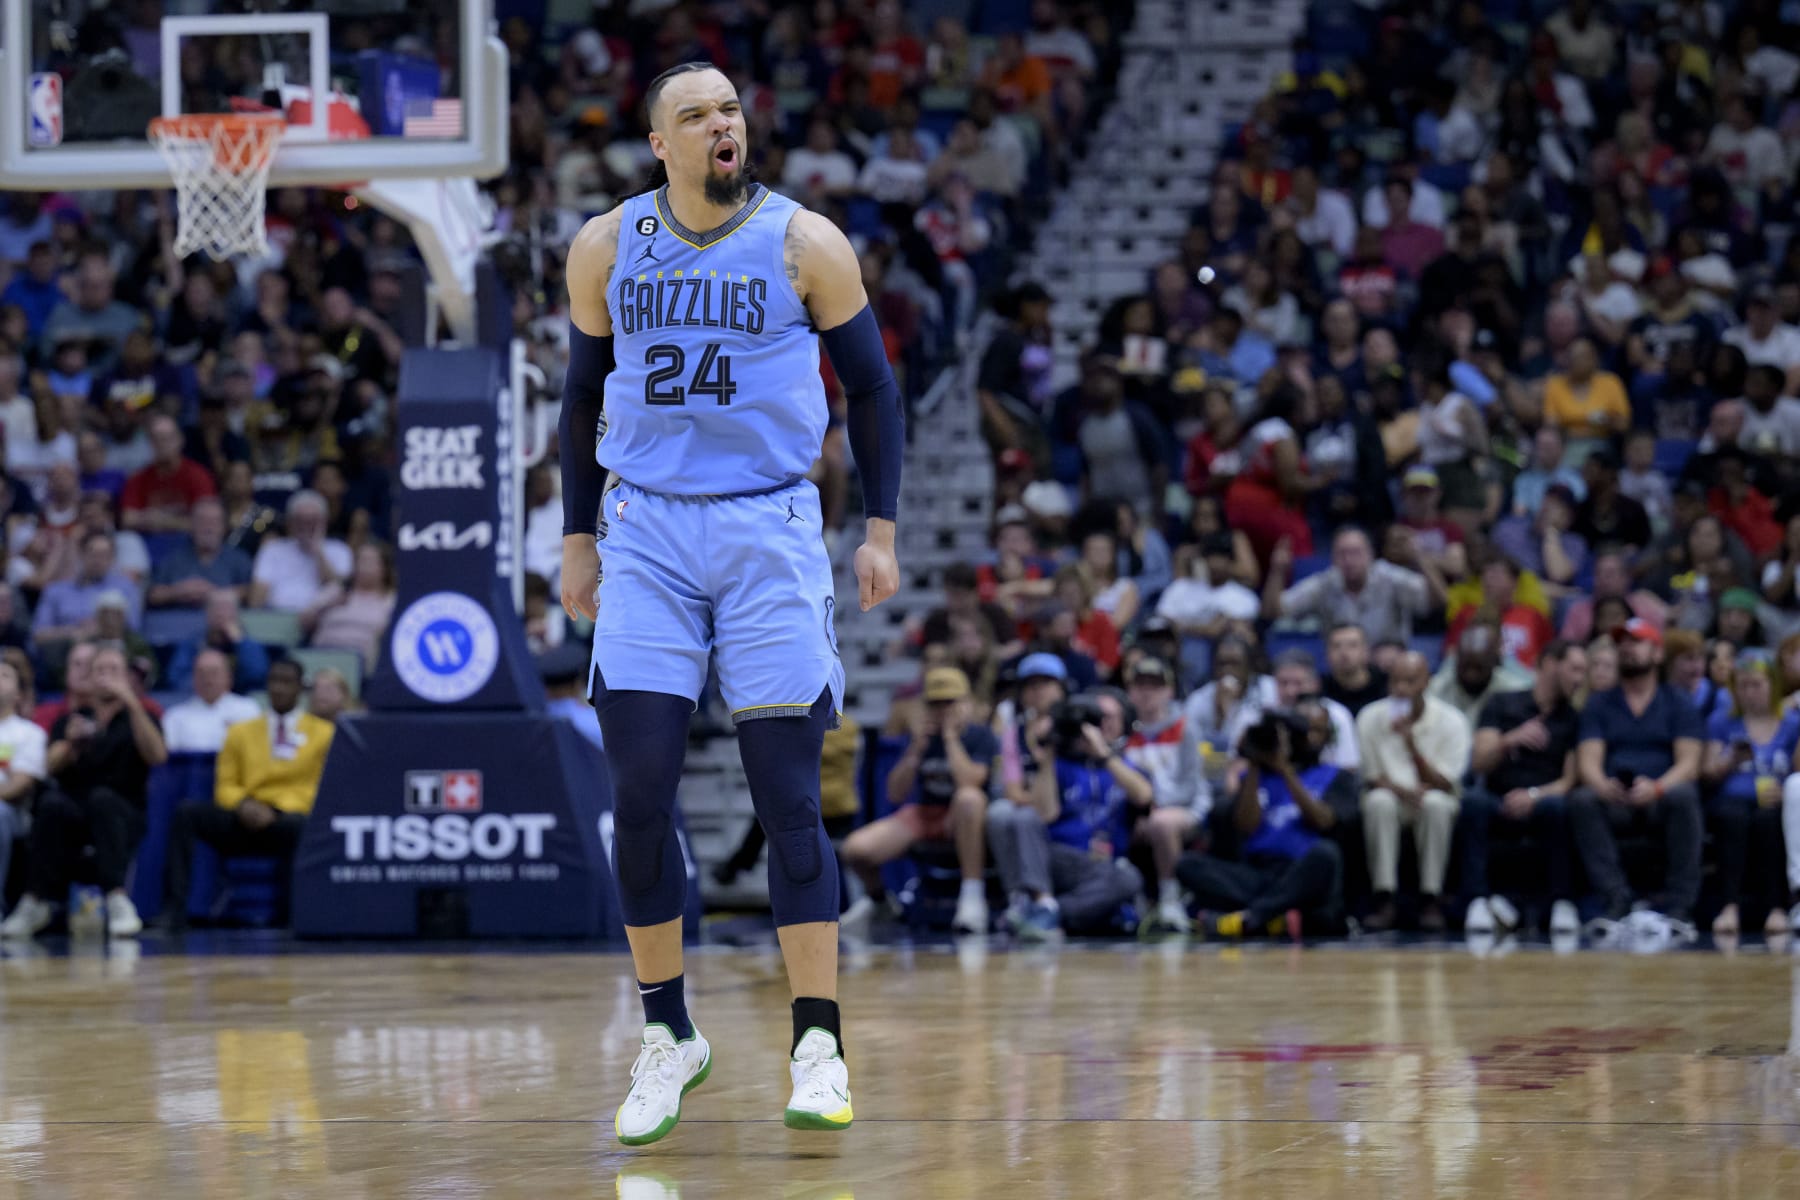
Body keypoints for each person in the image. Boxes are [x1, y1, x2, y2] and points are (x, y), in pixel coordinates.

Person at [557, 63, 904, 1144]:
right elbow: (579, 394)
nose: (723, 125)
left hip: (768, 525)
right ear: (659, 143)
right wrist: (576, 537)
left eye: (732, 111)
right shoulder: (606, 245)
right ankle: (670, 1034)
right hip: (648, 528)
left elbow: (876, 388)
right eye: (697, 114)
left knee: (786, 795)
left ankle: (817, 1042)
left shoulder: (808, 243)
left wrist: (880, 530)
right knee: (644, 788)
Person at [0, 644, 165, 941]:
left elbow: (157, 756)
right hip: (76, 813)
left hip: (123, 811)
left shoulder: (141, 715)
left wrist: (131, 701)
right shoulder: (73, 719)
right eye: (100, 670)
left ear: (127, 677)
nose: (106, 677)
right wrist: (70, 745)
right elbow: (46, 768)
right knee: (50, 804)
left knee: (103, 800)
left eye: (114, 670)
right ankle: (34, 902)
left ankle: (116, 899)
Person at [163, 659, 333, 929]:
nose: (278, 688)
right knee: (187, 813)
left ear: (300, 688)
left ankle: (292, 917)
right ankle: (176, 913)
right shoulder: (240, 731)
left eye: (286, 682)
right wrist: (243, 805)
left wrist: (275, 810)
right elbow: (226, 785)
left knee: (299, 826)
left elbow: (319, 788)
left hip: (286, 820)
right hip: (243, 818)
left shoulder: (323, 733)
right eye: (273, 681)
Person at [1570, 619, 1704, 932]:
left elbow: (1690, 763)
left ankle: (1680, 907)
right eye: (1623, 643)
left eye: (1637, 641)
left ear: (1657, 653)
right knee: (1582, 799)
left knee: (1684, 794)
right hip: (1616, 798)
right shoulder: (1600, 703)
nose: (1628, 648)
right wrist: (1604, 786)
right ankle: (1616, 899)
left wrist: (1657, 787)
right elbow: (1588, 760)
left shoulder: (1677, 701)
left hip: (1662, 798)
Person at [839, 667, 994, 935]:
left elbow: (971, 782)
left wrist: (950, 738)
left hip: (965, 818)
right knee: (856, 850)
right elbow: (895, 793)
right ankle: (880, 904)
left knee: (969, 799)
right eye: (935, 703)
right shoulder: (920, 738)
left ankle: (972, 896)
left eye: (950, 702)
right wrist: (914, 750)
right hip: (926, 813)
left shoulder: (980, 736)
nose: (943, 710)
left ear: (966, 703)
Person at [986, 689, 1148, 939]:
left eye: (1109, 718)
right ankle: (1044, 905)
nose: (1100, 725)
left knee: (1129, 879)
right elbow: (1043, 813)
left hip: (1100, 865)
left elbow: (1144, 795)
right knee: (1023, 817)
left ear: (1123, 723)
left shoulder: (1121, 764)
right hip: (1055, 858)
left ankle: (1047, 912)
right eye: (1095, 718)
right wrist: (1049, 753)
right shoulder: (1060, 763)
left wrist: (1103, 754)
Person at [1175, 709, 1349, 938]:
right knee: (1187, 864)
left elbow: (1322, 821)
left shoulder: (1333, 775)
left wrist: (1285, 769)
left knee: (1327, 855)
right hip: (1258, 872)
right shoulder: (1254, 777)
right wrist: (1255, 761)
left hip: (1300, 871)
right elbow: (1246, 825)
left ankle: (1251, 918)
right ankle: (1275, 915)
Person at [1458, 640, 1587, 937]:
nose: (1580, 679)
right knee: (1474, 802)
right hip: (1497, 797)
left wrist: (1533, 795)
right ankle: (1477, 900)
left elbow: (1569, 780)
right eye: (1575, 669)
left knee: (1558, 808)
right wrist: (1509, 740)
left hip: (1543, 798)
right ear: (1550, 664)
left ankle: (1561, 902)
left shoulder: (1574, 718)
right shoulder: (1502, 703)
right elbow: (1479, 762)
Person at [1356, 651, 1471, 932]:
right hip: (1392, 796)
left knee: (1436, 804)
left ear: (1427, 682)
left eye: (1410, 681)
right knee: (1378, 802)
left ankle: (1430, 897)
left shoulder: (1452, 721)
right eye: (1395, 681)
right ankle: (1385, 896)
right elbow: (1371, 778)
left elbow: (1445, 783)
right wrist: (1401, 791)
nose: (1401, 689)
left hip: (1431, 796)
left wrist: (1411, 746)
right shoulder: (1370, 717)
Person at [1699, 651, 1796, 938]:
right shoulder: (1721, 721)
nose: (1749, 692)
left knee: (1768, 822)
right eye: (1742, 685)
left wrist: (1786, 791)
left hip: (1773, 802)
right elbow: (1707, 771)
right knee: (1733, 816)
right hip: (1731, 799)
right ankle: (1729, 906)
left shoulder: (1792, 723)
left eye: (1756, 684)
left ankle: (1777, 908)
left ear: (1773, 685)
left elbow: (1797, 772)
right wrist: (1729, 762)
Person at [1121, 656, 1205, 933]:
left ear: (1169, 691)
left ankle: (1171, 900)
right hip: (1140, 810)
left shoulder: (1184, 728)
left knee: (1161, 823)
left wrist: (1153, 809)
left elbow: (1191, 784)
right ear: (1130, 691)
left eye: (1155, 686)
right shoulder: (1124, 733)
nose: (1147, 692)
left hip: (1188, 807)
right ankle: (1132, 901)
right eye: (1140, 685)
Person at [1265, 526, 1439, 645]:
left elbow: (1438, 601)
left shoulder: (1390, 577)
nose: (1349, 561)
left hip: (1388, 661)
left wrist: (1419, 558)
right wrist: (1277, 571)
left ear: (1371, 555)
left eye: (1356, 553)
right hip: (1342, 664)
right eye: (1342, 553)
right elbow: (1274, 612)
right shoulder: (1325, 583)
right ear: (1332, 558)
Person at [248, 490, 353, 613]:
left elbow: (339, 590)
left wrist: (318, 551)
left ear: (325, 521)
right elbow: (256, 600)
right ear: (290, 522)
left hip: (324, 619)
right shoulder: (272, 549)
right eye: (301, 520)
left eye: (313, 520)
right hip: (277, 617)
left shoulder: (340, 550)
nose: (306, 526)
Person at [0, 659, 47, 923]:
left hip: (13, 813)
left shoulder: (29, 734)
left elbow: (20, 784)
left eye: (5, 675)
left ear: (18, 693)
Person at [145, 497, 253, 608]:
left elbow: (252, 592)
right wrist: (178, 591)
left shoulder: (239, 559)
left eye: (214, 522)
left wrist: (216, 594)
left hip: (222, 622)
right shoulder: (173, 559)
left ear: (224, 527)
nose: (208, 527)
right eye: (202, 521)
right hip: (177, 621)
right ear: (191, 525)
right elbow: (152, 595)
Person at [1427, 623, 1534, 727]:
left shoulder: (1514, 691)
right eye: (1466, 665)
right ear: (1456, 659)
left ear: (1494, 661)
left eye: (1478, 667)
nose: (1471, 674)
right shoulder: (1435, 689)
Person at [1322, 622, 1387, 715]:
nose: (1344, 653)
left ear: (1366, 651)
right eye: (1336, 646)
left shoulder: (1386, 687)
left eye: (1352, 645)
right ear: (1327, 653)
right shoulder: (1320, 690)